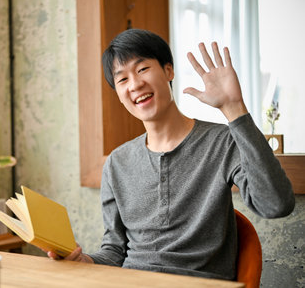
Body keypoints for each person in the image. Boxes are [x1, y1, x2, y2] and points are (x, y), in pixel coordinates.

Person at [48, 29, 295, 280]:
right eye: (122, 80)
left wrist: (234, 109)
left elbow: (277, 205)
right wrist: (84, 260)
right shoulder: (117, 163)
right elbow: (114, 252)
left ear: (168, 71)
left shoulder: (222, 142)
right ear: (119, 95)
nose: (134, 84)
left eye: (142, 69)